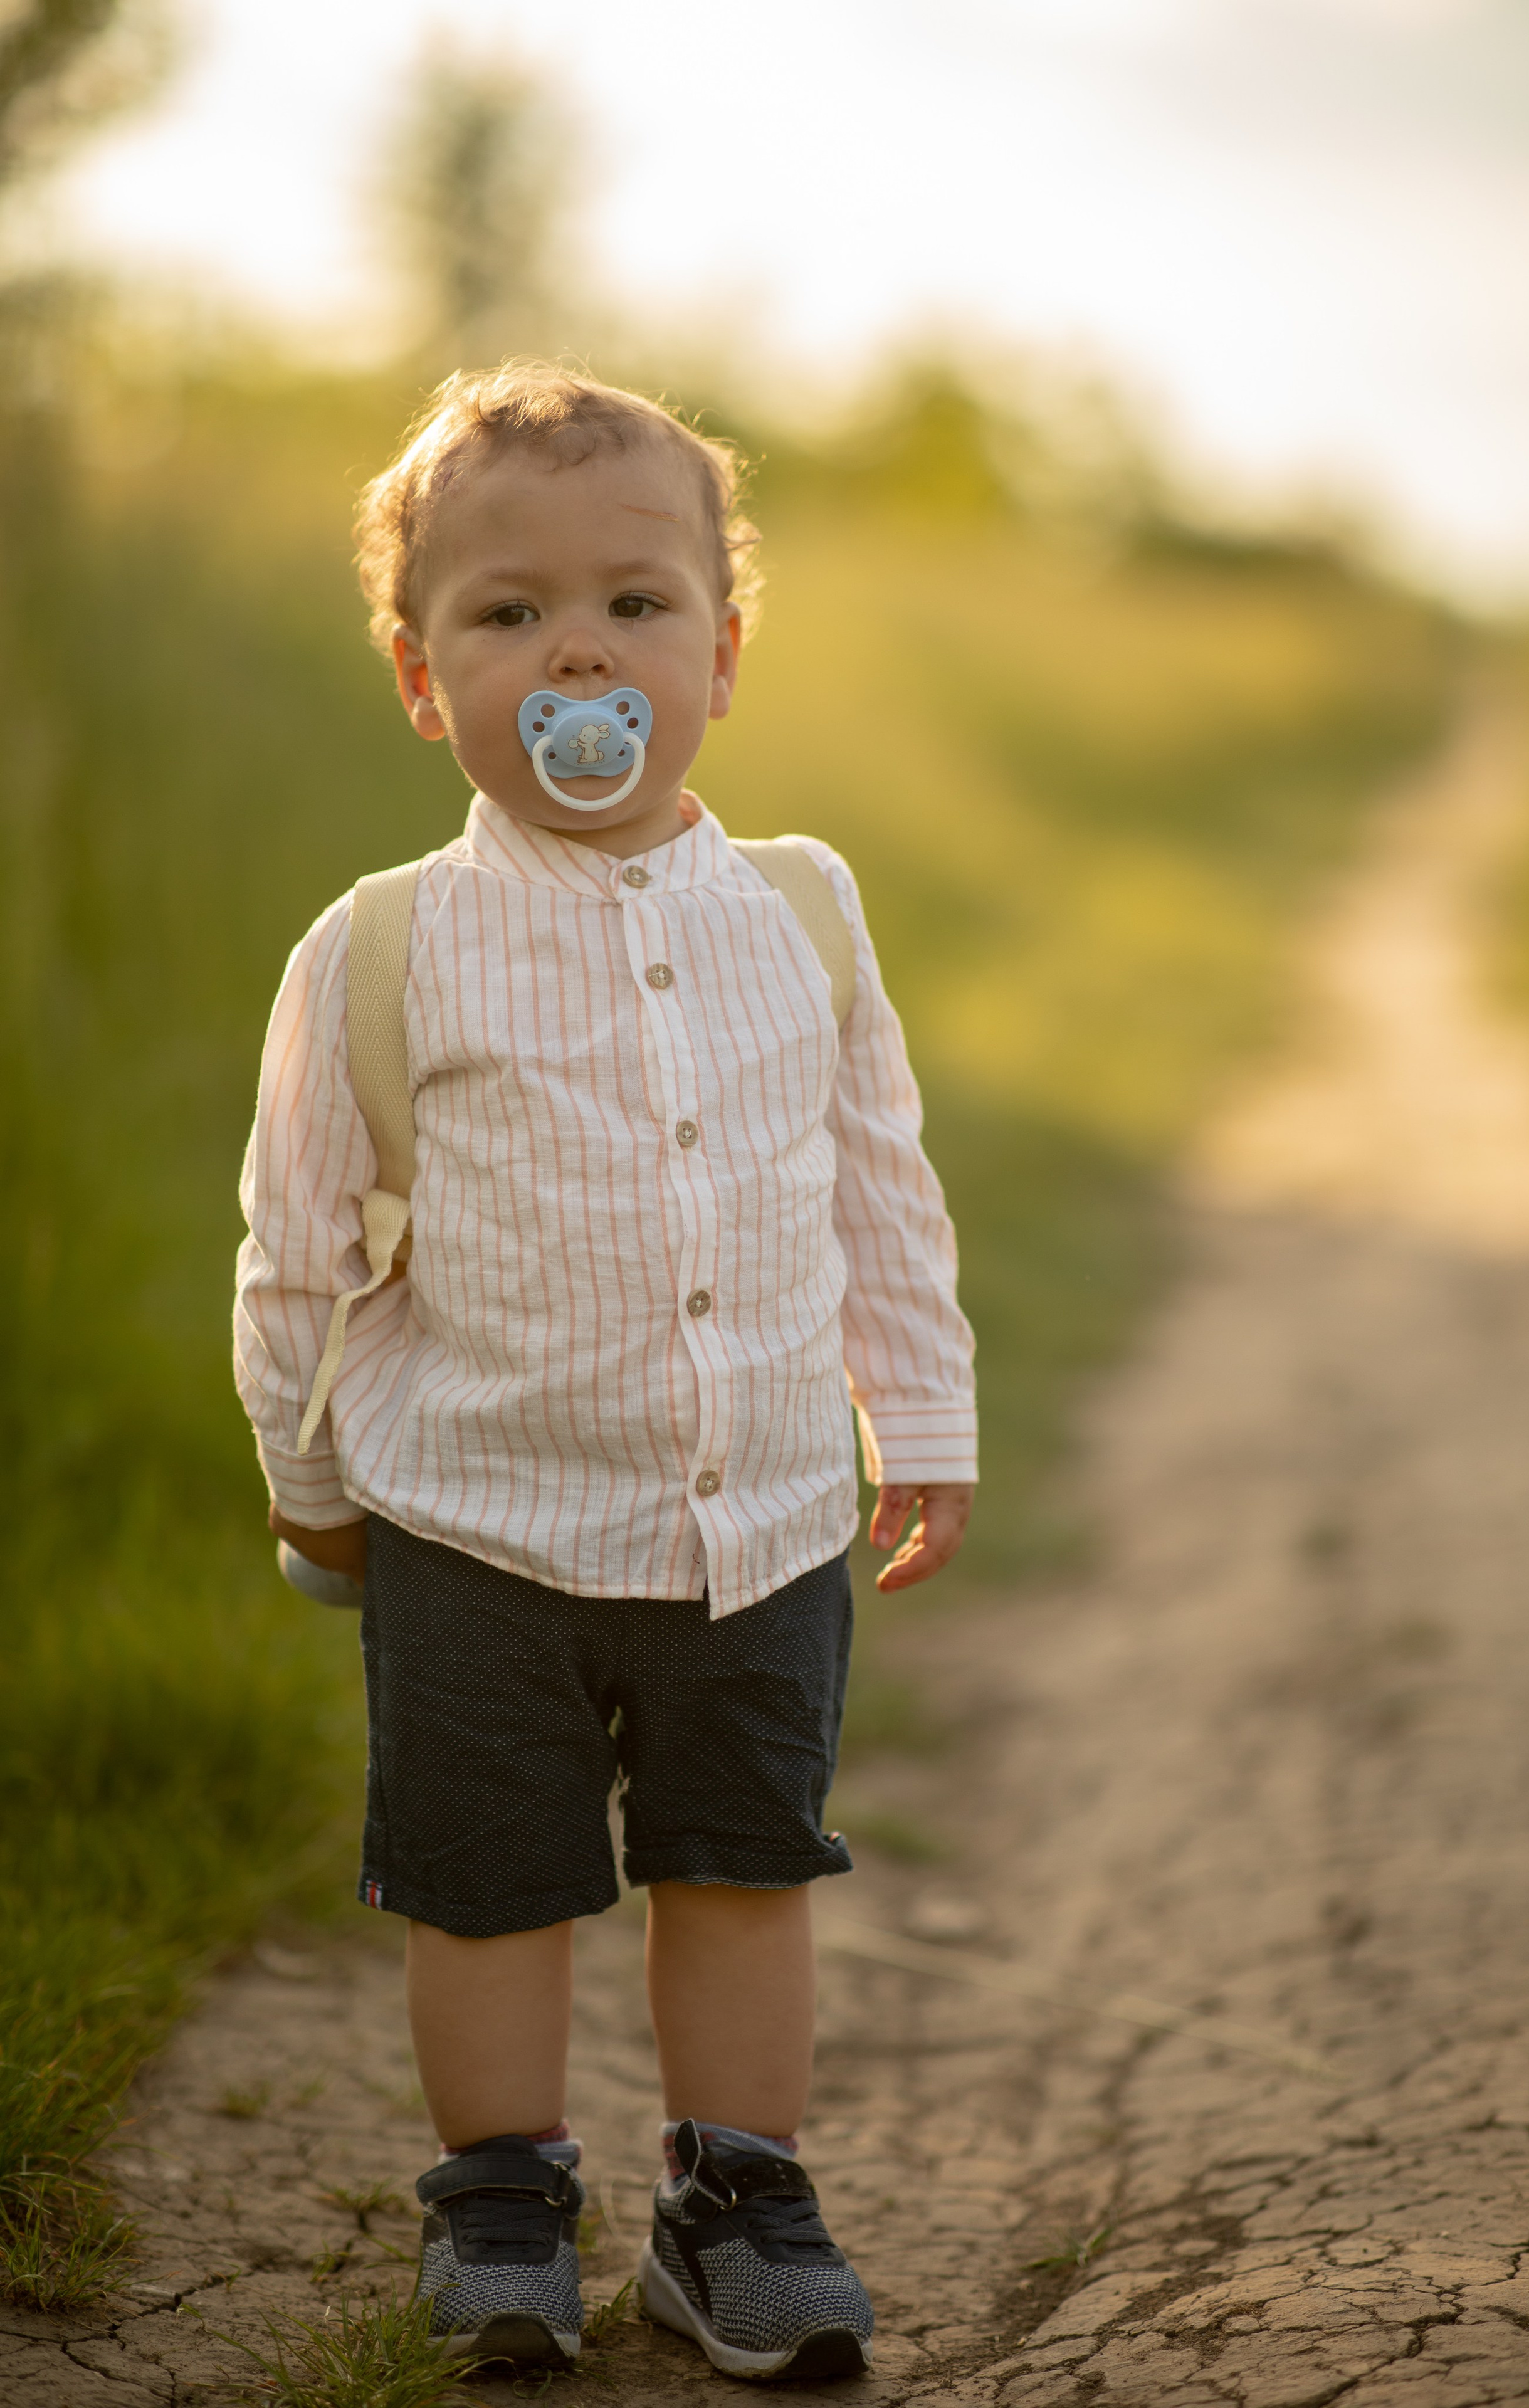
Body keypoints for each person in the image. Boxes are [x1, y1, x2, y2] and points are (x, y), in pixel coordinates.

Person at [232, 363, 977, 2383]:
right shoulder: (382, 948)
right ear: (422, 676)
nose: (578, 647)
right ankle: (499, 2195)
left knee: (744, 1864)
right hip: (475, 1515)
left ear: (722, 656)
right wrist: (310, 1485)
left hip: (755, 1517)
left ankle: (736, 2192)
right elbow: (294, 1246)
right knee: (488, 1889)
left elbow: (875, 1184)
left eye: (637, 605)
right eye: (506, 613)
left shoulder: (804, 912)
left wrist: (921, 1413)